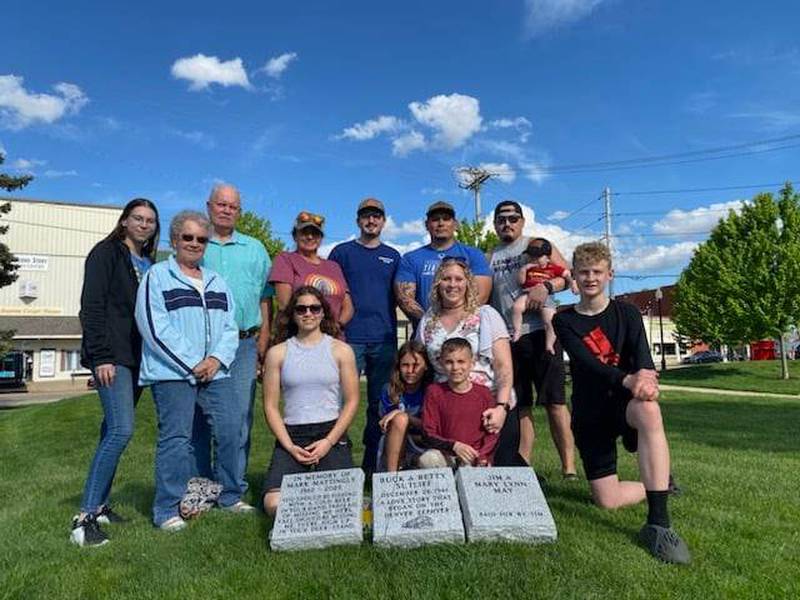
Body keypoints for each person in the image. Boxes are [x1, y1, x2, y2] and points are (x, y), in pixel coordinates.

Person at [553, 242, 691, 564]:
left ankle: (658, 524)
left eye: (597, 272)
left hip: (625, 404)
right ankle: (659, 484)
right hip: (590, 413)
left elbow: (642, 357)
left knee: (649, 410)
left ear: (609, 275)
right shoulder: (564, 320)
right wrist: (629, 379)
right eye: (584, 272)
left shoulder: (627, 312)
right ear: (574, 276)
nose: (590, 278)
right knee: (607, 500)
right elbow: (586, 363)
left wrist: (646, 381)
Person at [135, 210, 252, 532]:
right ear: (175, 240)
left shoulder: (217, 282)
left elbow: (231, 327)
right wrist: (192, 363)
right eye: (187, 237)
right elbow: (154, 328)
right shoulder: (157, 276)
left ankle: (229, 495)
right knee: (177, 439)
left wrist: (215, 360)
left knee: (232, 429)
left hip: (216, 371)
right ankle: (166, 509)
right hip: (171, 373)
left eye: (201, 239)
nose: (194, 243)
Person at [72, 198, 160, 547]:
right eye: (137, 218)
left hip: (137, 358)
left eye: (150, 220)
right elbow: (91, 306)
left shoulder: (150, 262)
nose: (144, 224)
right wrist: (101, 356)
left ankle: (102, 504)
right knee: (122, 430)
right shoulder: (106, 253)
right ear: (124, 222)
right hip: (113, 357)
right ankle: (84, 519)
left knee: (111, 429)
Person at [192, 183, 274, 500]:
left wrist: (262, 344)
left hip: (243, 345)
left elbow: (265, 300)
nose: (226, 210)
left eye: (233, 206)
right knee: (198, 419)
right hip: (201, 344)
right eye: (221, 204)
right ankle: (199, 486)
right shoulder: (196, 244)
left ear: (239, 211)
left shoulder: (255, 249)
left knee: (238, 420)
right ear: (209, 206)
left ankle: (232, 488)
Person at [489, 200, 577, 477]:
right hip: (508, 337)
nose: (508, 223)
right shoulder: (489, 254)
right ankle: (523, 464)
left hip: (541, 332)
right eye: (502, 219)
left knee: (555, 401)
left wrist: (547, 286)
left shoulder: (537, 244)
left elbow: (566, 274)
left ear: (522, 221)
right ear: (495, 224)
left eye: (513, 218)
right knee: (521, 403)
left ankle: (569, 467)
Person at [261, 286, 360, 515]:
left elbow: (353, 401)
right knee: (273, 504)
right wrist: (289, 446)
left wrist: (328, 441)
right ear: (293, 314)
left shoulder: (341, 350)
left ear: (323, 312)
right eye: (301, 309)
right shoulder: (277, 353)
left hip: (330, 432)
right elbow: (270, 406)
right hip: (293, 434)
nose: (308, 313)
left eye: (314, 308)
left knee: (345, 502)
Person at [415, 257, 520, 466]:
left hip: (489, 405)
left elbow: (503, 366)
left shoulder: (486, 314)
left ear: (467, 283)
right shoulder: (428, 320)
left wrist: (501, 407)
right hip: (447, 406)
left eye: (458, 279)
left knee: (493, 469)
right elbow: (420, 364)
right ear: (438, 283)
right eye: (446, 279)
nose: (452, 284)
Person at [329, 197, 400, 476]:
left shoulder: (393, 256)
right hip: (349, 338)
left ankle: (373, 465)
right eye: (366, 216)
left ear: (383, 221)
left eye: (377, 216)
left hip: (383, 339)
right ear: (358, 220)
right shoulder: (341, 253)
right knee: (340, 401)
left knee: (379, 403)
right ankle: (337, 463)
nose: (372, 221)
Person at [395, 201, 492, 324]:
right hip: (427, 332)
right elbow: (405, 299)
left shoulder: (474, 255)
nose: (441, 223)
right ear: (427, 225)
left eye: (446, 219)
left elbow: (481, 295)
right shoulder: (411, 259)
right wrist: (431, 323)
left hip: (465, 333)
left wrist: (455, 323)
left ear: (455, 224)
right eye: (435, 219)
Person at [420, 338, 499, 467]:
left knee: (472, 472)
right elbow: (428, 433)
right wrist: (454, 446)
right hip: (445, 453)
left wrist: (483, 456)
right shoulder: (434, 392)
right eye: (449, 362)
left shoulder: (484, 393)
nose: (455, 367)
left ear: (472, 363)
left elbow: (492, 433)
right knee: (428, 459)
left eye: (461, 361)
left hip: (474, 456)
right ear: (441, 363)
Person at [269, 211, 353, 330]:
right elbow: (285, 305)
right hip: (299, 336)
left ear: (321, 238)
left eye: (315, 233)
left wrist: (337, 325)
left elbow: (348, 306)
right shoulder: (286, 259)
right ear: (295, 236)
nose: (310, 237)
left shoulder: (334, 266)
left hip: (333, 338)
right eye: (304, 233)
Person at [377, 341, 432, 472]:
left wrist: (407, 417)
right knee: (400, 419)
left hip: (425, 443)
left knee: (401, 417)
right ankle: (392, 476)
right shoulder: (390, 390)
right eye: (405, 365)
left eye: (416, 365)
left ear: (425, 366)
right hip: (396, 443)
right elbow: (386, 426)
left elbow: (431, 429)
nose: (410, 371)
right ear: (398, 367)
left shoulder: (432, 390)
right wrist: (402, 417)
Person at [511, 237, 573, 349]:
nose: (534, 259)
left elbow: (566, 274)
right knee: (516, 307)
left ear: (548, 258)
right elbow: (521, 281)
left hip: (547, 297)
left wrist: (572, 283)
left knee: (550, 321)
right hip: (527, 294)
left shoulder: (553, 268)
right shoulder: (528, 268)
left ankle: (549, 343)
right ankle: (517, 330)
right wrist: (524, 269)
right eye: (531, 256)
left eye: (538, 256)